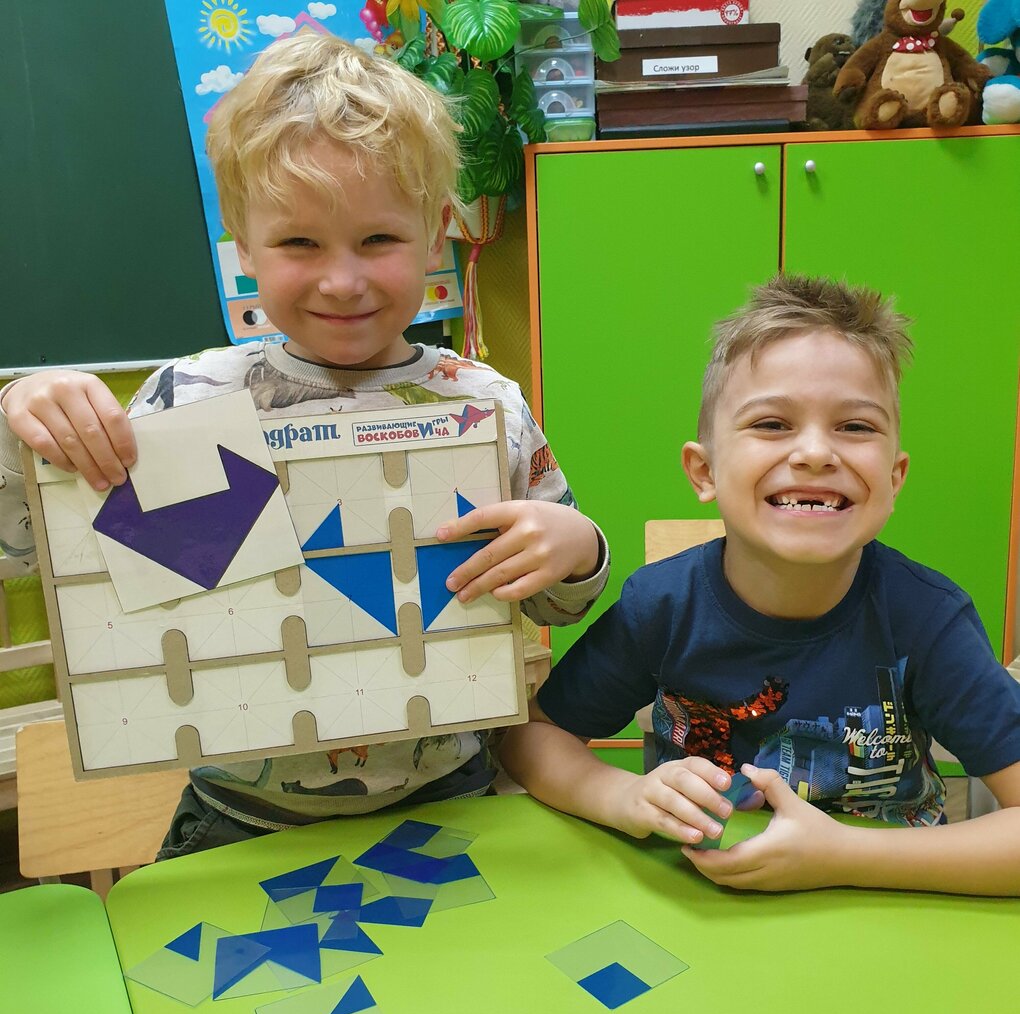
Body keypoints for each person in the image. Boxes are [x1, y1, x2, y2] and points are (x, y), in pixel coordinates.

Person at [0, 34, 608, 857]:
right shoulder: (191, 400)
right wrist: (21, 427)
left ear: (436, 234)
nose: (342, 281)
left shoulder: (482, 403)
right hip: (236, 818)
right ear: (243, 244)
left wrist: (577, 547)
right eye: (299, 244)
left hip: (455, 797)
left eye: (378, 240)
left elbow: (555, 605)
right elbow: (34, 554)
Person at [499, 274, 1020, 897]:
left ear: (894, 477)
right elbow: (530, 738)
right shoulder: (661, 607)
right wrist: (623, 795)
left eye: (856, 427)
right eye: (772, 423)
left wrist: (844, 856)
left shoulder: (928, 619)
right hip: (703, 911)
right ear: (704, 472)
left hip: (889, 906)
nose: (815, 453)